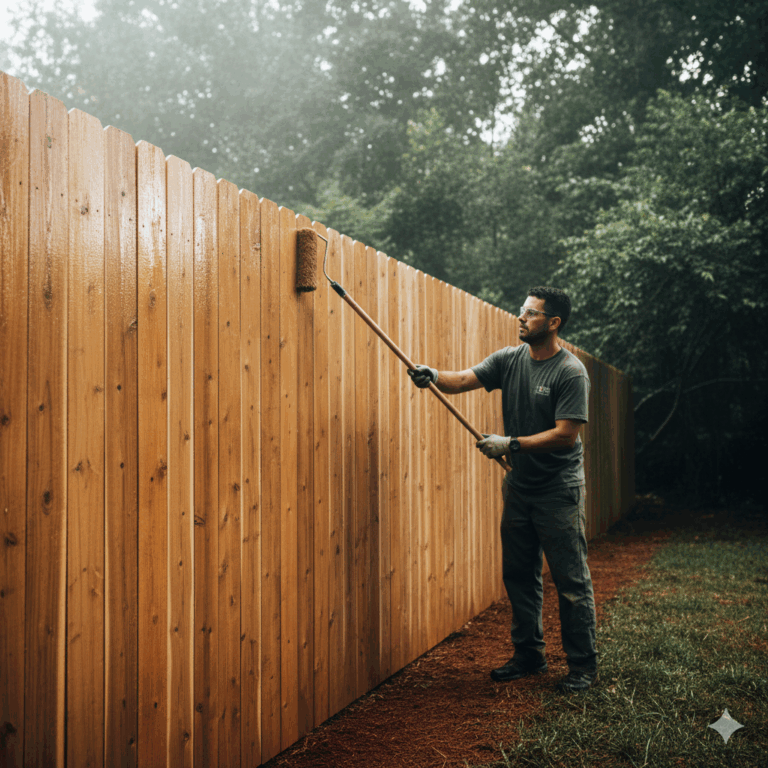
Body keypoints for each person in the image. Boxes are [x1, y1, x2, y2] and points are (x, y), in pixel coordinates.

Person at [407, 286, 597, 692]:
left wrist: (509, 444)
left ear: (553, 322)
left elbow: (566, 435)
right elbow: (462, 381)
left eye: (530, 313)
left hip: (558, 489)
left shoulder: (570, 372)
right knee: (519, 574)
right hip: (520, 487)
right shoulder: (509, 360)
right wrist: (434, 376)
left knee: (571, 581)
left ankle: (582, 667)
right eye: (522, 311)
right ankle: (529, 655)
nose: (521, 317)